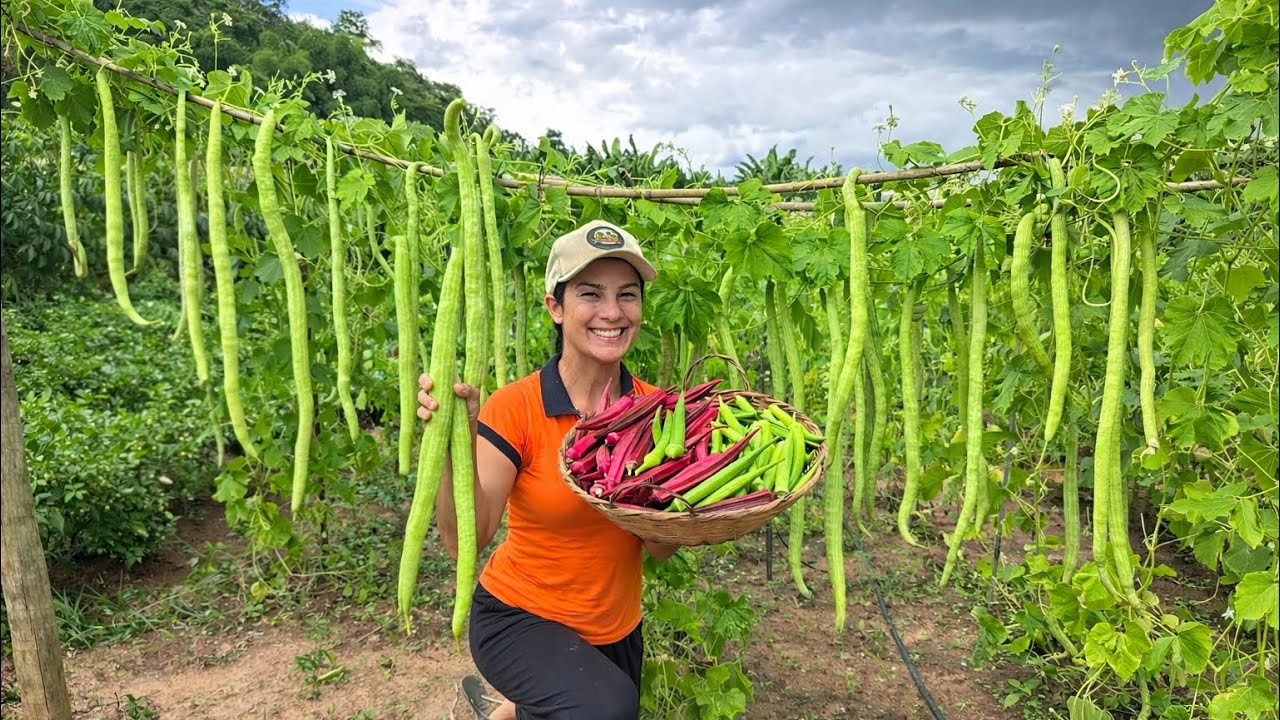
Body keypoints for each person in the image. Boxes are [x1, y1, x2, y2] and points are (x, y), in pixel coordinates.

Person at [416, 219, 680, 720]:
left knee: (592, 706)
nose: (611, 312)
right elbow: (462, 542)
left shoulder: (655, 411)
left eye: (628, 294)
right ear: (555, 308)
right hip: (519, 617)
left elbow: (661, 549)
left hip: (615, 627)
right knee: (605, 709)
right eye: (589, 294)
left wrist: (674, 496)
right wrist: (455, 444)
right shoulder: (516, 406)